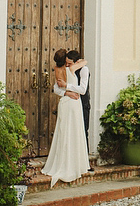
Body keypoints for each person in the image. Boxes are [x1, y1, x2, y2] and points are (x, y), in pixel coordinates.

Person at [41, 48, 89, 186]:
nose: (68, 65)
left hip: (75, 104)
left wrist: (67, 88)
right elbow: (56, 89)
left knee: (75, 132)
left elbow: (82, 89)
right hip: (69, 102)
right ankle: (65, 162)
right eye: (66, 63)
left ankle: (75, 163)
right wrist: (67, 93)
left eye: (69, 63)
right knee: (64, 132)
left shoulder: (65, 69)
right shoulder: (70, 68)